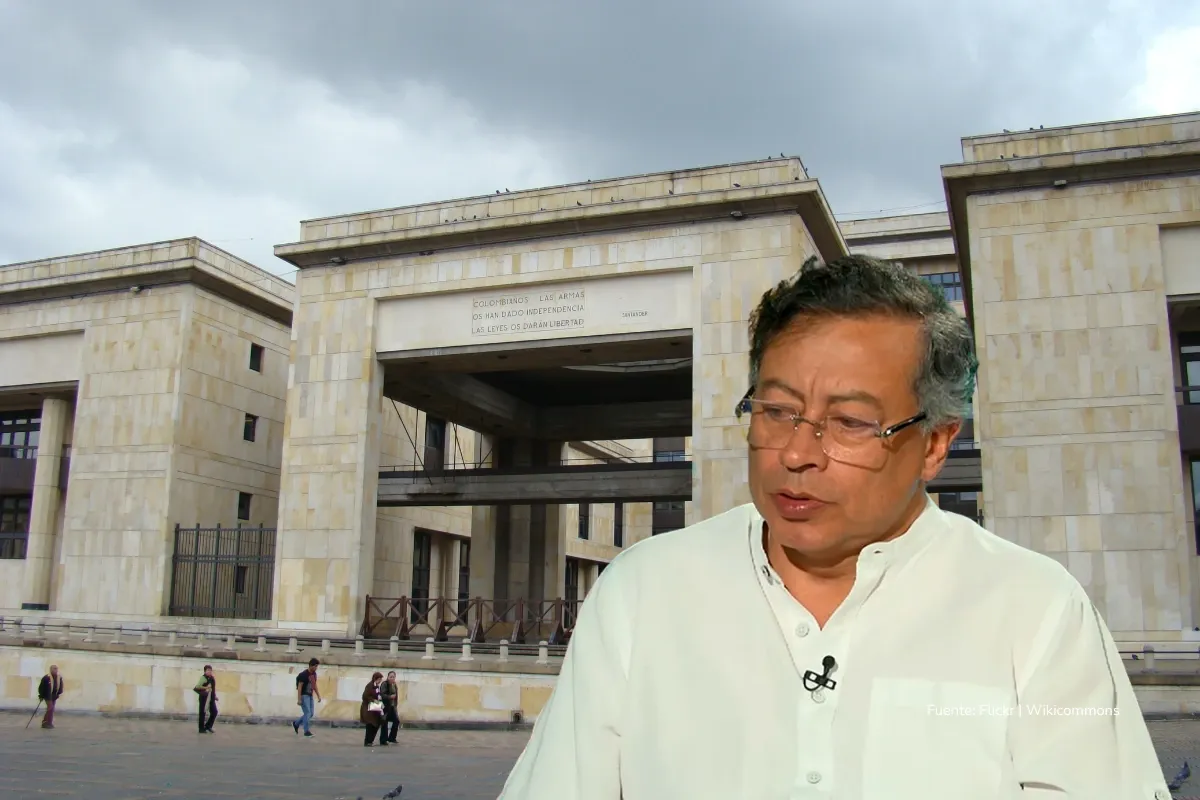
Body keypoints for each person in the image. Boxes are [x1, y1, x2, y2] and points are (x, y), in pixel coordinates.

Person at [498, 254, 1171, 799]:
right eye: (777, 411)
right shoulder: (645, 591)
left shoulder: (1036, 610)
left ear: (935, 442)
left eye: (850, 422)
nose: (797, 453)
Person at [292, 657, 322, 737]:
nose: (316, 668)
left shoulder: (314, 674)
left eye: (317, 666)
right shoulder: (304, 674)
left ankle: (296, 723)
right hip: (304, 695)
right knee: (307, 713)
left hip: (310, 695)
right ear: (311, 666)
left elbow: (314, 685)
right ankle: (306, 731)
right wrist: (299, 699)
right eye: (315, 666)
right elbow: (300, 687)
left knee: (310, 713)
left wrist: (318, 695)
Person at [361, 672, 386, 747]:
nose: (380, 681)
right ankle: (367, 741)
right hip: (369, 708)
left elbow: (378, 696)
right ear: (375, 679)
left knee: (377, 723)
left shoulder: (377, 686)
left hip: (375, 707)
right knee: (370, 724)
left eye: (380, 679)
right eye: (379, 679)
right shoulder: (370, 686)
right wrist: (373, 700)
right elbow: (365, 696)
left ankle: (371, 740)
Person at [37, 664, 63, 729]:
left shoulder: (59, 677)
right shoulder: (46, 678)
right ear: (51, 670)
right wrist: (41, 696)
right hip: (47, 696)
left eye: (56, 668)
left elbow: (60, 686)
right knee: (50, 708)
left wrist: (58, 693)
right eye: (54, 668)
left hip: (54, 696)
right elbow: (41, 688)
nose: (56, 670)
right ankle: (46, 722)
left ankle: (47, 722)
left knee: (51, 709)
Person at [194, 664, 218, 733]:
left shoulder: (212, 678)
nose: (209, 672)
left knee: (214, 712)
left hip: (211, 698)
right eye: (207, 670)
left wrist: (215, 696)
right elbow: (198, 686)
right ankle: (201, 729)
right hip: (204, 698)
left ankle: (208, 726)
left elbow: (212, 689)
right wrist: (206, 687)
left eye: (210, 670)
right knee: (202, 713)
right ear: (205, 671)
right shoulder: (203, 678)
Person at [381, 670, 400, 744]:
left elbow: (396, 696)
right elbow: (382, 695)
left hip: (392, 706)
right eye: (390, 677)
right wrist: (390, 697)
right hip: (386, 706)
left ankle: (392, 738)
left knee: (396, 721)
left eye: (393, 677)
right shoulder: (384, 684)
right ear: (388, 677)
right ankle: (383, 740)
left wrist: (395, 704)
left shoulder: (394, 685)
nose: (392, 678)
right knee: (384, 723)